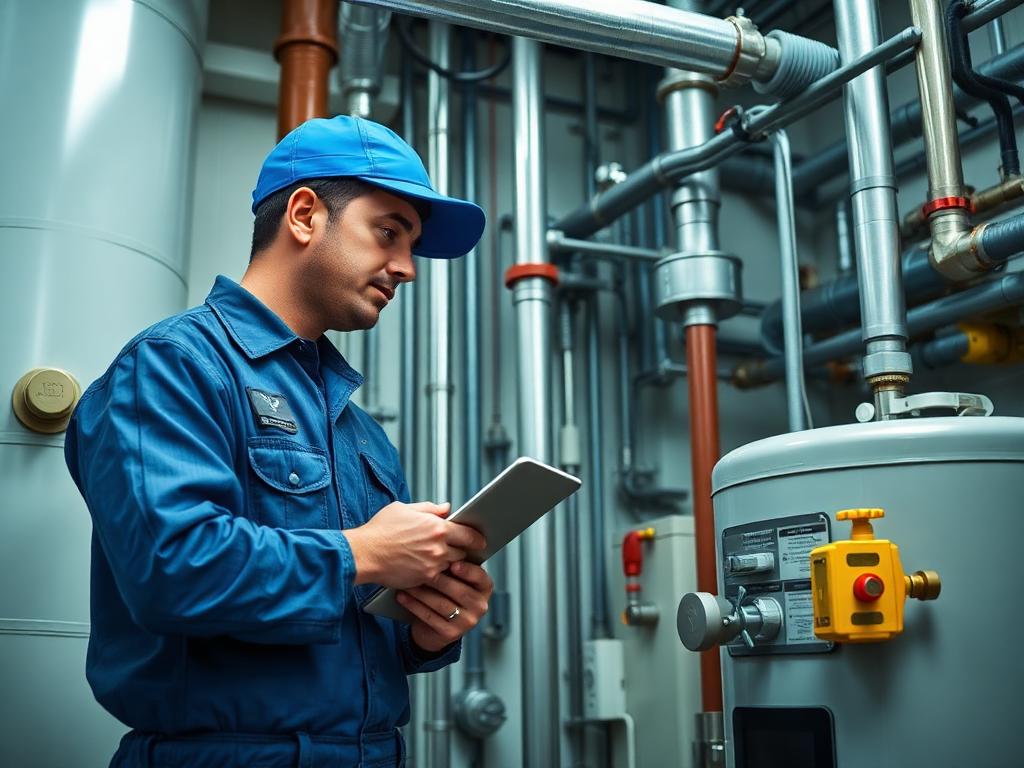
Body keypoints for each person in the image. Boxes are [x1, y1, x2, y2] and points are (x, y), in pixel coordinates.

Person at [64, 115, 492, 768]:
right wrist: (360, 554)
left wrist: (429, 628)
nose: (407, 268)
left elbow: (359, 633)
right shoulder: (172, 368)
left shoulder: (364, 435)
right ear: (303, 215)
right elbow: (171, 570)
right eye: (389, 233)